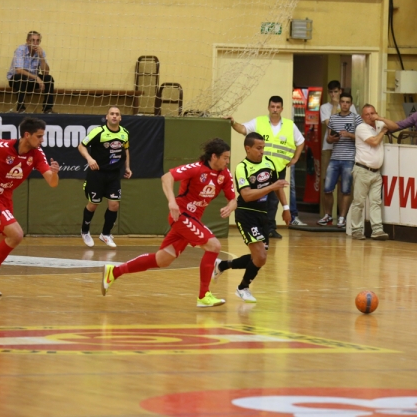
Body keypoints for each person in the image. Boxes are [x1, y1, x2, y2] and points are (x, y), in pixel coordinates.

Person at [100, 138, 237, 308]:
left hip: (193, 220)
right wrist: (172, 201)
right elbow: (167, 177)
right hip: (181, 215)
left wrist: (230, 207)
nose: (227, 161)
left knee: (163, 260)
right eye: (225, 158)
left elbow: (233, 199)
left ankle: (114, 272)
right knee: (214, 246)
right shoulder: (196, 168)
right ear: (214, 156)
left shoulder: (225, 174)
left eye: (228, 158)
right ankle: (204, 295)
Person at [0, 117, 60, 296]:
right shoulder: (3, 147)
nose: (42, 140)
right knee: (16, 235)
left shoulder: (37, 154)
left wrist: (54, 173)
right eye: (39, 136)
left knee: (1, 244)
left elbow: (52, 183)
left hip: (5, 199)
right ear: (27, 135)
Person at [211, 133, 291, 303]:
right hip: (246, 214)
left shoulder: (269, 163)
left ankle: (222, 265)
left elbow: (278, 187)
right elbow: (246, 195)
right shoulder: (242, 168)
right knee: (260, 257)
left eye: (263, 148)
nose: (262, 151)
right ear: (248, 148)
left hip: (263, 214)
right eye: (258, 148)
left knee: (259, 257)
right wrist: (271, 187)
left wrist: (286, 208)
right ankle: (242, 288)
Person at [227, 96, 304, 239]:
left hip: (278, 168)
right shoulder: (259, 121)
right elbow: (243, 129)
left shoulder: (290, 125)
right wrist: (233, 122)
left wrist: (295, 158)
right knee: (258, 197)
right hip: (258, 168)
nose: (275, 109)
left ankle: (270, 228)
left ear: (282, 109)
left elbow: (301, 141)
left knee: (274, 200)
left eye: (278, 107)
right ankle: (256, 226)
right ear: (268, 107)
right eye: (272, 106)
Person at [78, 106, 132, 248]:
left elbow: (126, 150)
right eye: (112, 114)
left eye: (117, 114)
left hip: (114, 174)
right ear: (107, 117)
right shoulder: (98, 132)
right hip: (97, 174)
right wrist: (89, 159)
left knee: (114, 205)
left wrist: (127, 167)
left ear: (120, 118)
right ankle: (85, 231)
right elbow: (81, 146)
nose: (114, 116)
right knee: (93, 204)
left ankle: (105, 234)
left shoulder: (124, 133)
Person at [347, 105, 394, 241]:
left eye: (372, 113)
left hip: (376, 171)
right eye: (367, 114)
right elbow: (374, 142)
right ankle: (356, 230)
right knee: (359, 202)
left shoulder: (379, 124)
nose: (370, 116)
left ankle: (377, 230)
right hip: (362, 170)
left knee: (376, 202)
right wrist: (382, 132)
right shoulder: (361, 127)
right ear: (362, 117)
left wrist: (381, 119)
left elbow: (395, 126)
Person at [317, 93, 362, 228]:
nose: (345, 104)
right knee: (327, 188)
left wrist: (349, 135)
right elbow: (328, 138)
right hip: (334, 157)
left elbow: (362, 137)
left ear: (351, 104)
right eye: (342, 102)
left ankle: (342, 218)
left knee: (346, 190)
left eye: (347, 102)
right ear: (340, 103)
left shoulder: (356, 118)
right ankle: (328, 215)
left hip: (349, 158)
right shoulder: (333, 118)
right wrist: (332, 139)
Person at [6, 31, 55, 114]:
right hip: (17, 80)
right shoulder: (20, 50)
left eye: (37, 40)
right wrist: (36, 78)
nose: (35, 43)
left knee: (49, 79)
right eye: (33, 40)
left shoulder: (41, 52)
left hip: (32, 80)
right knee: (20, 77)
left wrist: (41, 57)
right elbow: (19, 70)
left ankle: (48, 109)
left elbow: (46, 73)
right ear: (27, 41)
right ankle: (21, 109)